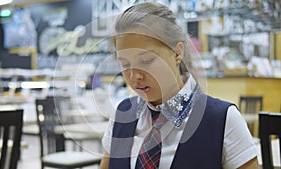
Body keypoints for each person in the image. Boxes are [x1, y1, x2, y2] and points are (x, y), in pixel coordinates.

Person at [100, 2, 259, 169]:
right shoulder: (122, 115)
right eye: (125, 64)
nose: (134, 76)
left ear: (177, 53)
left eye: (146, 61)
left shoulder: (223, 119)